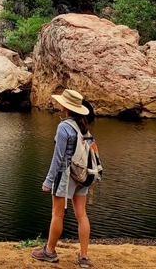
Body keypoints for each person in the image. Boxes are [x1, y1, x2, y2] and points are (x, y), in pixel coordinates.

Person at [31, 89, 93, 268]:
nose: (59, 103)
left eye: (61, 102)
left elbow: (58, 158)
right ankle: (83, 257)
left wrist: (49, 181)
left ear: (66, 106)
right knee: (81, 214)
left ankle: (49, 251)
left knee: (57, 214)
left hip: (66, 176)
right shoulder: (83, 124)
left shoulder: (64, 127)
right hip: (82, 174)